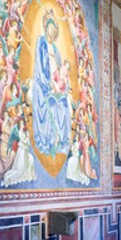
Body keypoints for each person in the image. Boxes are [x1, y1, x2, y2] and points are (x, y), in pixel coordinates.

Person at [31, 9, 71, 157]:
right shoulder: (41, 43)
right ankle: (46, 141)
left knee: (63, 104)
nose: (51, 30)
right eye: (50, 27)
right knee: (48, 103)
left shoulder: (56, 49)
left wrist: (60, 86)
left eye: (54, 28)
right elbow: (39, 65)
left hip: (55, 84)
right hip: (43, 83)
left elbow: (60, 70)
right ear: (46, 27)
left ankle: (60, 140)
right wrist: (46, 83)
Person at [2, 120, 37, 187]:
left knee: (31, 159)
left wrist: (27, 137)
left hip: (25, 151)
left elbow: (28, 143)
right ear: (19, 125)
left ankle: (29, 174)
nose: (22, 125)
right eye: (21, 124)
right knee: (19, 171)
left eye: (23, 123)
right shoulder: (19, 133)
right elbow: (24, 141)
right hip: (21, 151)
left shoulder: (24, 132)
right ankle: (8, 178)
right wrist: (28, 137)